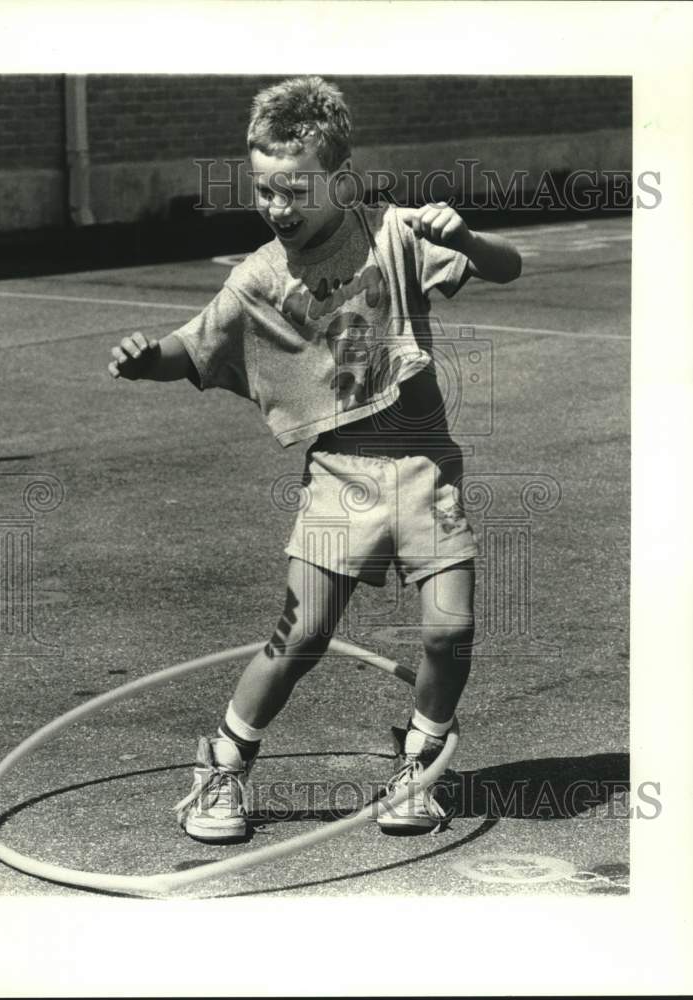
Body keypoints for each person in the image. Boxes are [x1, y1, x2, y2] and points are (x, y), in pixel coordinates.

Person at [108, 76, 521, 842]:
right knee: (299, 639)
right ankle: (222, 764)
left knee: (448, 631)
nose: (276, 207)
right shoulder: (258, 278)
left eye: (294, 191)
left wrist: (464, 239)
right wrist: (143, 358)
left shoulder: (392, 233)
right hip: (341, 475)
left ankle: (419, 763)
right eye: (264, 191)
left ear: (342, 179)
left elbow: (509, 267)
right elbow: (193, 347)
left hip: (425, 469)